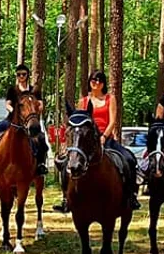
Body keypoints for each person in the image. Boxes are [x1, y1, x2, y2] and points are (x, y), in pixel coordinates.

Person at [53, 70, 141, 212]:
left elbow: (113, 121)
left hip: (105, 138)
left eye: (100, 80)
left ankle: (131, 196)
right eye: (94, 80)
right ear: (89, 82)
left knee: (129, 158)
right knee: (64, 163)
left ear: (103, 83)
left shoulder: (109, 99)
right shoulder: (83, 101)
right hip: (85, 140)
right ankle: (65, 198)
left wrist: (104, 136)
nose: (96, 83)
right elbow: (77, 123)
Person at [0, 63, 48, 175]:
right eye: (19, 74)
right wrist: (14, 111)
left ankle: (40, 164)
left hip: (29, 121)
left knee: (41, 138)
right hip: (12, 120)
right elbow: (7, 104)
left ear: (27, 75)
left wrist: (36, 111)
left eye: (23, 74)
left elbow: (40, 104)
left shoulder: (34, 90)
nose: (21, 76)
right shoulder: (13, 90)